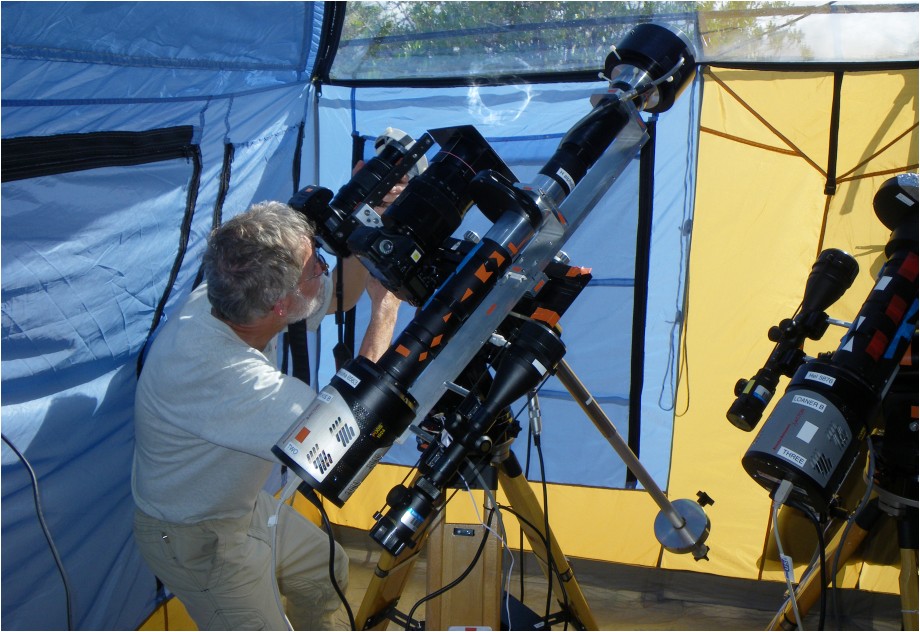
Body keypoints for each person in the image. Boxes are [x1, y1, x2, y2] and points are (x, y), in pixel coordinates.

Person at [131, 197, 402, 630]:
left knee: (327, 570)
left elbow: (343, 295)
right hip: (195, 537)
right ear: (281, 306)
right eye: (316, 266)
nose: (324, 268)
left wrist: (369, 218)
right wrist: (386, 311)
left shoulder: (233, 295)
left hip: (238, 507)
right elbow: (347, 429)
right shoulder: (224, 374)